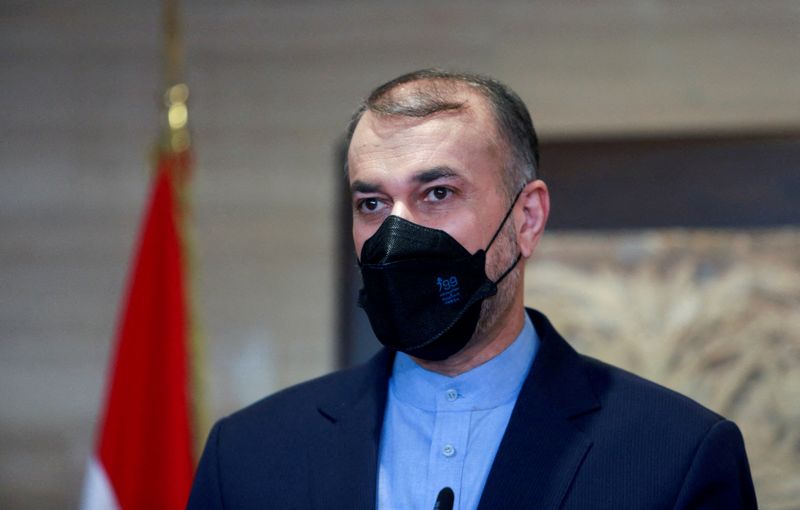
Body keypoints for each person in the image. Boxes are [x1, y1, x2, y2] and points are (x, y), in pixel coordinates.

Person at [188, 69, 757, 509]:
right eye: (373, 203)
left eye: (438, 193)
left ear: (527, 219)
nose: (395, 235)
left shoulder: (677, 456)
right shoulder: (247, 456)